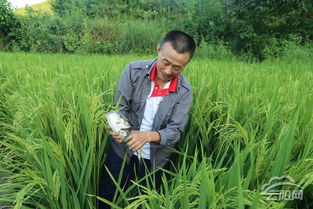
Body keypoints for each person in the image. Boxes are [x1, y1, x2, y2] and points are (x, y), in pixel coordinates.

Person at [99, 30, 196, 209]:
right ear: (158, 49)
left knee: (149, 203)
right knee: (108, 200)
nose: (167, 71)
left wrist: (147, 136)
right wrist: (116, 127)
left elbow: (175, 131)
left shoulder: (184, 91)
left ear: (186, 64)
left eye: (177, 68)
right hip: (122, 152)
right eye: (165, 62)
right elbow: (120, 108)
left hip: (156, 159)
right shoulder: (133, 71)